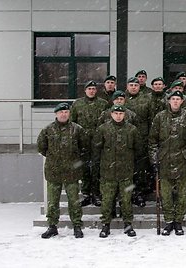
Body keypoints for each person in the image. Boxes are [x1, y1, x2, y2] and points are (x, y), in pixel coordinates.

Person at [149, 90, 186, 236]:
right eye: (173, 99)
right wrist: (154, 160)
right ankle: (169, 221)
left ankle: (178, 221)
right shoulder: (160, 117)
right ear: (169, 101)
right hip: (165, 160)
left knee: (182, 194)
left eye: (178, 99)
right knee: (166, 194)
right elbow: (152, 141)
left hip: (183, 161)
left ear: (182, 101)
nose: (176, 101)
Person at [93, 105, 142, 238]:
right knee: (107, 200)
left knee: (126, 200)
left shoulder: (132, 129)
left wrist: (136, 168)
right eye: (116, 113)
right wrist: (97, 168)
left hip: (126, 172)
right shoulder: (103, 129)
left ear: (124, 115)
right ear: (111, 114)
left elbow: (138, 150)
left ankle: (128, 224)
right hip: (107, 172)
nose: (118, 116)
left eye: (121, 113)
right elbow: (97, 150)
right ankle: (106, 225)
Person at [37, 103, 84, 239]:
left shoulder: (77, 129)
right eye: (61, 112)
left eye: (66, 112)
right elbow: (42, 147)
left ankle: (77, 225)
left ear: (69, 113)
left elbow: (84, 146)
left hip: (72, 171)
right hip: (54, 171)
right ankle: (52, 226)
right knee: (53, 201)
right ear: (56, 114)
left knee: (74, 200)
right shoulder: (47, 130)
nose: (64, 114)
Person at [70, 80, 108, 207]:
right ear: (85, 90)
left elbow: (107, 122)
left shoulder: (103, 104)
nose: (91, 91)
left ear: (96, 90)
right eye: (89, 88)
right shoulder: (77, 104)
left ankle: (96, 194)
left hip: (98, 142)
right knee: (85, 168)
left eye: (93, 88)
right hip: (83, 142)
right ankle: (86, 194)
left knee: (97, 168)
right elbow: (72, 124)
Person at [125, 77, 151, 207]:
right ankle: (127, 194)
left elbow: (151, 117)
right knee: (127, 169)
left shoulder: (147, 98)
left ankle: (139, 193)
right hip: (125, 141)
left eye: (136, 85)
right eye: (131, 85)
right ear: (127, 86)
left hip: (142, 139)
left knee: (141, 169)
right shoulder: (121, 99)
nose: (134, 87)